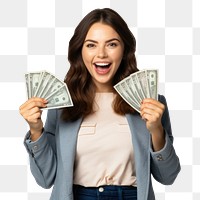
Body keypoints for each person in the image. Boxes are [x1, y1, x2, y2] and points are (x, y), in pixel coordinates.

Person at [19, 8, 181, 200]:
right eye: (91, 45)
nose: (101, 54)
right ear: (80, 51)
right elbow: (46, 179)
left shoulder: (151, 103)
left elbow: (168, 176)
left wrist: (156, 130)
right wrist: (36, 130)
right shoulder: (62, 105)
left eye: (112, 44)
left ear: (125, 49)